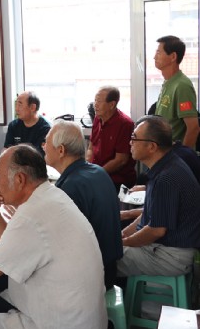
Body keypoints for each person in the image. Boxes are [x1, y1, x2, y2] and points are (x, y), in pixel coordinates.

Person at [0, 145, 107, 329]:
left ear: (20, 179)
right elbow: (9, 246)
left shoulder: (32, 215)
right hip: (82, 320)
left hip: (62, 328)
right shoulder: (52, 195)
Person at [44, 120, 123, 290]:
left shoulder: (71, 187)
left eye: (46, 143)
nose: (43, 147)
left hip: (90, 280)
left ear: (61, 150)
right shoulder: (98, 171)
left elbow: (57, 243)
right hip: (109, 268)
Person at [117, 116, 200, 277]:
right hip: (165, 248)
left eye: (134, 138)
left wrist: (124, 243)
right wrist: (124, 234)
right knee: (109, 250)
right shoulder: (166, 165)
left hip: (169, 256)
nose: (130, 142)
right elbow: (150, 216)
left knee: (102, 258)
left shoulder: (166, 178)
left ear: (152, 147)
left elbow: (156, 230)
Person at [85, 86, 136, 188]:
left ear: (112, 104)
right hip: (96, 173)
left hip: (116, 179)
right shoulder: (98, 118)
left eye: (99, 101)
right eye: (95, 100)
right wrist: (87, 167)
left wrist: (96, 174)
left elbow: (121, 160)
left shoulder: (125, 124)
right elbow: (91, 148)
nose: (95, 104)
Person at [153, 35, 199, 148]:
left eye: (159, 53)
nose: (154, 57)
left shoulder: (182, 85)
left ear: (173, 56)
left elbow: (193, 128)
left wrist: (183, 155)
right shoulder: (168, 82)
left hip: (174, 155)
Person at [3, 91, 50, 156]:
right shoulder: (13, 125)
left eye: (20, 105)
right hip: (15, 161)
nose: (16, 109)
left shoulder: (45, 129)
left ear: (32, 107)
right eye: (16, 104)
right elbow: (6, 150)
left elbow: (39, 156)